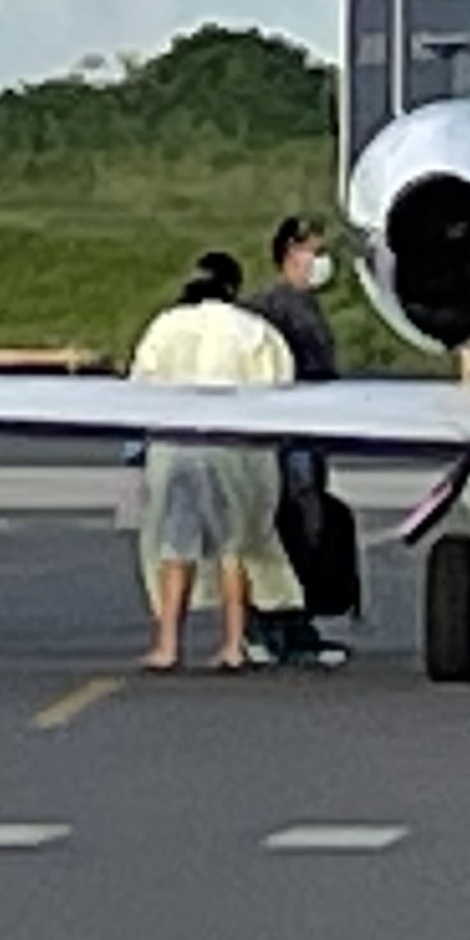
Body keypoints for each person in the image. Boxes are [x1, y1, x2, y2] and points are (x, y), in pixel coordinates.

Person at [126, 262, 293, 672]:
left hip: (175, 444)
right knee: (233, 548)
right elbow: (280, 388)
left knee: (173, 545)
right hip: (233, 445)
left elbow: (139, 386)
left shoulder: (165, 327)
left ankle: (167, 644)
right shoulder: (254, 330)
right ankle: (235, 643)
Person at [242, 216, 351, 668]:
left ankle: (297, 620)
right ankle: (271, 623)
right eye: (312, 250)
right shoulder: (271, 308)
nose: (321, 261)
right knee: (288, 525)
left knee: (310, 526)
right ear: (290, 253)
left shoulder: (307, 306)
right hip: (286, 438)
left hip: (310, 434)